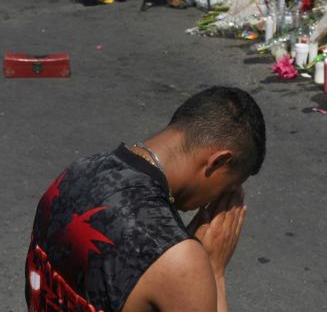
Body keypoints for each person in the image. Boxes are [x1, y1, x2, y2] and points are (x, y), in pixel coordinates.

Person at [25, 86, 266, 311]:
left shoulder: (76, 172)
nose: (213, 201)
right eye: (228, 187)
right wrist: (213, 271)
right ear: (218, 161)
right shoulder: (177, 259)